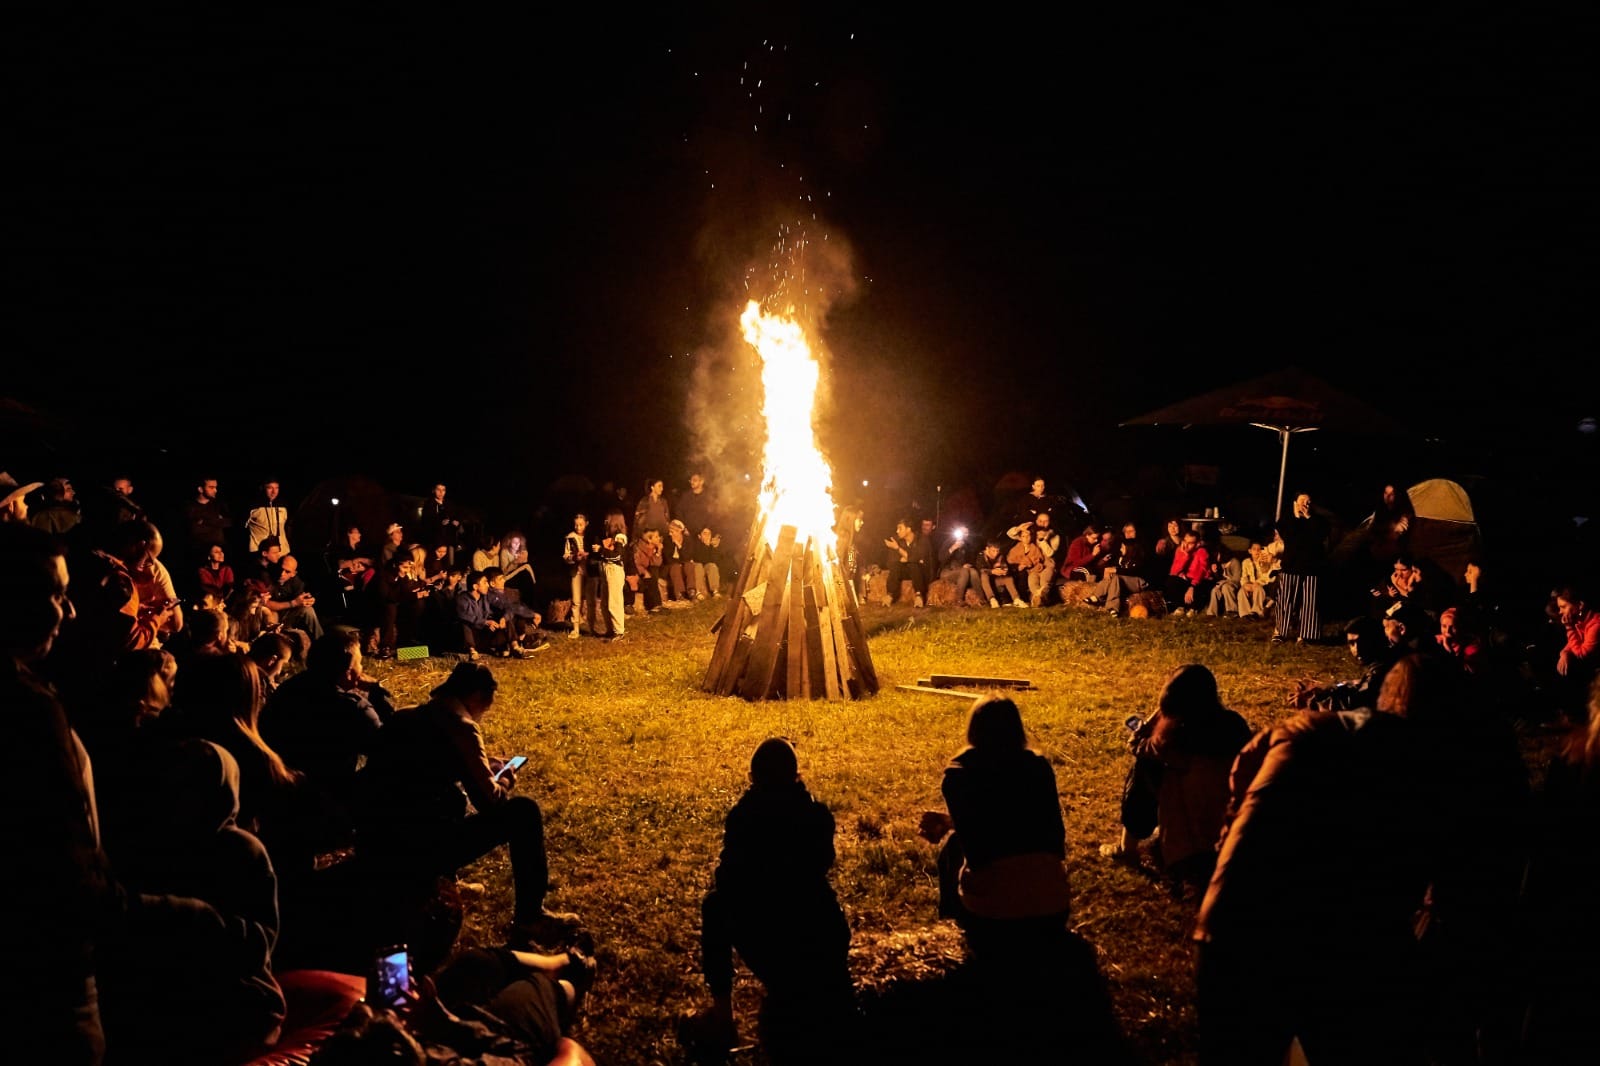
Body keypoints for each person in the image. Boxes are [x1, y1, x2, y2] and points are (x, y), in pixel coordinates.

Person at [1192, 654, 1454, 1065]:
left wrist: (1232, 848)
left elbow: (1241, 779)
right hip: (1324, 947)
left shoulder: (1303, 730)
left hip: (1233, 924)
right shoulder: (1422, 764)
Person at [354, 661, 580, 950]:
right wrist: (505, 778)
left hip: (379, 842)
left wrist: (479, 764)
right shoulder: (462, 728)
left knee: (442, 798)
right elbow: (490, 802)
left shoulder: (409, 716)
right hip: (420, 848)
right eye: (487, 703)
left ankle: (443, 881)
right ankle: (530, 915)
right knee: (523, 813)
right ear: (475, 696)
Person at [688, 738, 854, 1056]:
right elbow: (823, 864)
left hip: (777, 949)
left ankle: (723, 1018)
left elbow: (727, 880)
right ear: (796, 775)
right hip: (824, 941)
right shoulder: (817, 815)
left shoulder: (744, 817)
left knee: (715, 905)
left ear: (753, 778)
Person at [916, 696, 1072, 957]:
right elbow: (1022, 823)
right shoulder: (1039, 768)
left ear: (973, 730)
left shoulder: (958, 775)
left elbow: (980, 844)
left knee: (953, 850)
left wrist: (953, 825)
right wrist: (952, 822)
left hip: (995, 916)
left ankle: (952, 928)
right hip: (1053, 906)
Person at [1101, 665, 1254, 893]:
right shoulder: (1234, 724)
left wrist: (1157, 717)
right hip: (1235, 828)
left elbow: (1136, 745)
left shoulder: (1172, 739)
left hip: (1191, 845)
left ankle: (1127, 848)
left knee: (1144, 768)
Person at [1288, 615, 1396, 712]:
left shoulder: (1384, 669)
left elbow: (1354, 703)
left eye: (1362, 641)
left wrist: (1310, 703)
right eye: (1352, 643)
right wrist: (1324, 691)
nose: (1357, 649)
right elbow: (1356, 684)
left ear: (1375, 639)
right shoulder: (1383, 660)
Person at [1270, 491, 1330, 644]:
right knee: (1285, 600)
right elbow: (1290, 536)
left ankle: (1305, 635)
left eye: (1309, 502)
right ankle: (1280, 631)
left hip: (1312, 568)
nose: (1305, 504)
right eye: (1302, 501)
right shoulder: (1286, 520)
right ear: (1295, 503)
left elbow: (1319, 536)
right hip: (1291, 567)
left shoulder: (1319, 521)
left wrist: (1308, 517)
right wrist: (1297, 517)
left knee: (1309, 602)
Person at [457, 569, 530, 660]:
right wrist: (485, 622)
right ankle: (472, 651)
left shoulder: (487, 597)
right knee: (465, 624)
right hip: (472, 637)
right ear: (475, 586)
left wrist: (503, 618)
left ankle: (515, 647)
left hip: (485, 635)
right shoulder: (462, 599)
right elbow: (466, 617)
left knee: (505, 618)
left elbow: (507, 607)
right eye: (484, 583)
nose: (488, 585)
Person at [265, 552, 325, 641]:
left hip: (287, 618)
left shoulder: (296, 582)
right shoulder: (268, 578)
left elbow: (300, 602)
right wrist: (292, 603)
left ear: (293, 573)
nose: (282, 574)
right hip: (271, 618)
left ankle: (322, 642)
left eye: (287, 571)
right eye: (281, 569)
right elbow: (266, 604)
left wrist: (307, 601)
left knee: (308, 610)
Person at [882, 517, 931, 607]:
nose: (897, 531)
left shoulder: (922, 539)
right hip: (905, 570)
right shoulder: (897, 540)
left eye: (900, 528)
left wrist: (898, 549)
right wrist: (908, 557)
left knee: (913, 564)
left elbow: (917, 558)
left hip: (921, 571)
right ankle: (889, 595)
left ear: (908, 529)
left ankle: (919, 596)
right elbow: (891, 562)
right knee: (896, 566)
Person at [1163, 528, 1211, 617]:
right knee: (1171, 581)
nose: (1186, 545)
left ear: (1197, 544)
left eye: (1190, 543)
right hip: (1186, 579)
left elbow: (1202, 571)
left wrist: (1192, 586)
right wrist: (1185, 555)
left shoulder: (1202, 552)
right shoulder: (1180, 550)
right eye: (1185, 541)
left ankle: (1194, 608)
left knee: (1200, 586)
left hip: (1199, 581)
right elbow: (1173, 571)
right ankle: (1181, 606)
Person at [561, 514, 593, 639]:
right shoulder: (570, 538)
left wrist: (587, 555)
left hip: (590, 571)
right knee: (576, 600)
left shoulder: (590, 536)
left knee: (590, 600)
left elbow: (596, 552)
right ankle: (575, 628)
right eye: (576, 524)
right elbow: (565, 556)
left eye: (581, 524)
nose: (578, 527)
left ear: (586, 524)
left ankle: (591, 627)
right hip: (576, 571)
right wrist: (574, 558)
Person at [1003, 524, 1047, 610]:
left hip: (1030, 571)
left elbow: (1039, 560)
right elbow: (1010, 560)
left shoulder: (1034, 548)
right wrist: (1019, 565)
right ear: (1020, 538)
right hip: (1016, 570)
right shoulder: (1017, 547)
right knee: (1020, 575)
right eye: (1023, 536)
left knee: (1029, 577)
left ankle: (1031, 598)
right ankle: (1018, 598)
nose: (1026, 538)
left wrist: (1030, 564)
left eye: (1028, 536)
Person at [244, 478, 292, 555]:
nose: (274, 492)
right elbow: (242, 528)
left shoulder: (284, 505)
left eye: (277, 488)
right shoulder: (253, 506)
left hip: (282, 552)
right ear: (263, 488)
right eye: (270, 488)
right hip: (259, 552)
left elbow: (287, 527)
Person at [833, 506, 865, 605]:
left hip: (848, 581)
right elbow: (838, 564)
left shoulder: (851, 539)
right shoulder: (843, 537)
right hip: (841, 584)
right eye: (859, 520)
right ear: (851, 519)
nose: (862, 523)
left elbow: (851, 561)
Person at [978, 537, 1023, 608]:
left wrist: (1004, 571)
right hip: (985, 582)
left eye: (997, 551)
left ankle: (1016, 599)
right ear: (987, 549)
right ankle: (992, 599)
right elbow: (980, 569)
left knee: (1008, 578)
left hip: (996, 580)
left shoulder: (1000, 556)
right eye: (993, 551)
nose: (995, 553)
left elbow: (1005, 566)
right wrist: (992, 571)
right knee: (984, 575)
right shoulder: (981, 556)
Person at [632, 477, 672, 541]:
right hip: (648, 536)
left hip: (661, 535)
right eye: (659, 486)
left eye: (662, 486)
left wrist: (666, 532)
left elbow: (667, 519)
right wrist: (641, 534)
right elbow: (638, 520)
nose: (662, 489)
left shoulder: (663, 502)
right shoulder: (644, 501)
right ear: (652, 487)